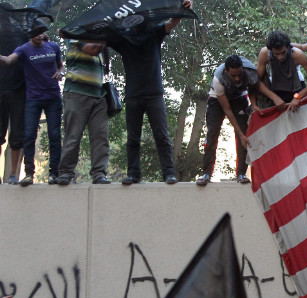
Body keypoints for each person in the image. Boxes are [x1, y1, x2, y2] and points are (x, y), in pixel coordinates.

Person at [105, 1, 193, 185]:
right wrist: (72, 32)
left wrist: (184, 7)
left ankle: (169, 173)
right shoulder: (123, 39)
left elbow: (173, 22)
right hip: (133, 95)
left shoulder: (154, 33)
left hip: (154, 93)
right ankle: (133, 174)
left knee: (161, 135)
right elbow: (103, 34)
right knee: (133, 138)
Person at [196, 54, 284, 186]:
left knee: (244, 135)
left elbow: (257, 86)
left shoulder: (249, 71)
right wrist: (241, 134)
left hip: (239, 98)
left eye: (239, 74)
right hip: (218, 99)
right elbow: (228, 110)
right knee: (212, 133)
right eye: (233, 76)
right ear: (226, 71)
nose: (237, 78)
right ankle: (206, 173)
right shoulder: (218, 79)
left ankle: (241, 173)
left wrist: (273, 98)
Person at [0, 22, 64, 186]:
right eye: (35, 32)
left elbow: (60, 64)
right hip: (33, 98)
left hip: (53, 97)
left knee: (55, 136)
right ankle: (28, 174)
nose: (39, 35)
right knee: (29, 136)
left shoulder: (53, 46)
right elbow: (8, 60)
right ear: (30, 34)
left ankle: (54, 173)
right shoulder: (24, 49)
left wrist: (60, 72)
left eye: (41, 31)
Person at [57, 39, 110, 185]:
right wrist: (107, 36)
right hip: (76, 92)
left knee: (101, 136)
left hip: (99, 94)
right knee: (73, 135)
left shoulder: (99, 41)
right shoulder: (76, 35)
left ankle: (99, 173)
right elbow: (92, 49)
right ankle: (66, 172)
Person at [256, 31, 307, 112]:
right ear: (271, 50)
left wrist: (298, 97)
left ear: (288, 47)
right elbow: (256, 80)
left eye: (283, 52)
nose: (280, 57)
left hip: (297, 89)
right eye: (276, 54)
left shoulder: (297, 55)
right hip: (276, 90)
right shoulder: (265, 53)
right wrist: (274, 97)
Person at [0, 7, 28, 185]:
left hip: (19, 90)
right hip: (3, 90)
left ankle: (12, 174)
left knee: (17, 136)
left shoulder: (23, 36)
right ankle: (7, 175)